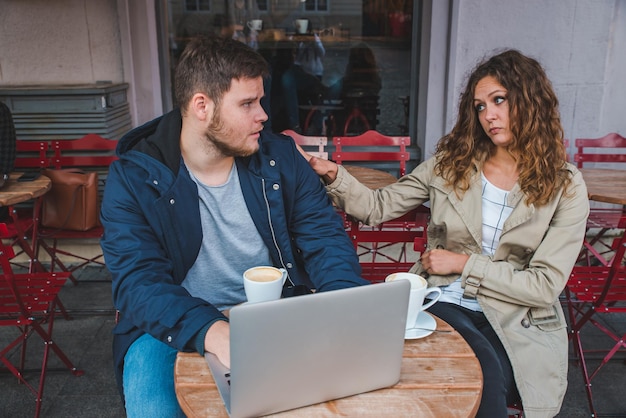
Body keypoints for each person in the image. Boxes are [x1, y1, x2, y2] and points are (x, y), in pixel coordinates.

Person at [298, 49, 589, 417]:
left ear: (530, 100)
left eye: (499, 100)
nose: (489, 115)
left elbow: (544, 285)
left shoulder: (566, 186)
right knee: (480, 373)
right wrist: (334, 174)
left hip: (517, 317)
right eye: (480, 106)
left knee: (490, 377)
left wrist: (464, 262)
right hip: (446, 300)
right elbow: (378, 207)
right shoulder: (451, 164)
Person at [100, 34, 367, 417]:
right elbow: (137, 282)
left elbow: (324, 238)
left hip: (275, 311)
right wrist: (213, 330)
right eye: (247, 104)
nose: (263, 115)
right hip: (168, 324)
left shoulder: (279, 157)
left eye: (261, 100)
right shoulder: (135, 177)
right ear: (202, 106)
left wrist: (345, 303)